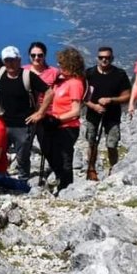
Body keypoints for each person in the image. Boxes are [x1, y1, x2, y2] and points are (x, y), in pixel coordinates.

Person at [0, 46, 54, 182]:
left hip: (23, 124)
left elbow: (49, 92)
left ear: (19, 60)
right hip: (2, 123)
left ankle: (23, 180)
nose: (10, 63)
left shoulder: (28, 76)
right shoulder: (0, 73)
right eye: (7, 60)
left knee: (22, 155)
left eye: (12, 60)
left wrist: (40, 113)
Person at [42, 48, 86, 195]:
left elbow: (76, 110)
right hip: (56, 125)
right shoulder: (62, 81)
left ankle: (66, 187)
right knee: (52, 153)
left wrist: (57, 119)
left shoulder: (75, 83)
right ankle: (61, 182)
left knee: (65, 157)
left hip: (67, 127)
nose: (59, 66)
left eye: (62, 64)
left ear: (71, 64)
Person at [83, 46, 131, 180]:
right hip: (93, 115)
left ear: (112, 58)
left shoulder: (120, 74)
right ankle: (91, 169)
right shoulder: (89, 73)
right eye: (101, 58)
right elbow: (82, 96)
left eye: (107, 58)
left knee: (112, 144)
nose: (104, 60)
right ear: (97, 58)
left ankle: (113, 170)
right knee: (92, 143)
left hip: (112, 115)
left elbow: (127, 96)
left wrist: (111, 100)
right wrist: (94, 106)